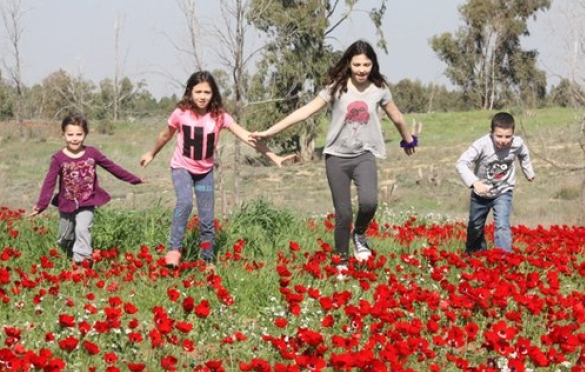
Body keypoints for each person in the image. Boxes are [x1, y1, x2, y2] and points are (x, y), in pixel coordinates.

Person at [250, 40, 417, 272]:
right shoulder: (336, 87)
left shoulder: (379, 89)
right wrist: (270, 132)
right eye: (357, 64)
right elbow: (304, 112)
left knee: (369, 202)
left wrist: (408, 139)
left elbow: (397, 116)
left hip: (364, 155)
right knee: (344, 214)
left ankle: (359, 235)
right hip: (336, 158)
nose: (361, 69)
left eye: (366, 64)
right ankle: (341, 261)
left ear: (373, 65)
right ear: (348, 63)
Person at [140, 70, 293, 269]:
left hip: (204, 174)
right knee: (185, 203)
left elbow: (247, 137)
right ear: (190, 92)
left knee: (206, 218)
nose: (202, 97)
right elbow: (164, 135)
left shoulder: (219, 116)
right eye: (198, 92)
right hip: (182, 168)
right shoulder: (181, 113)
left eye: (207, 92)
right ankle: (174, 249)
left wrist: (273, 156)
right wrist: (152, 153)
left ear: (213, 94)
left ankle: (207, 258)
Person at [30, 112, 144, 266]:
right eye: (70, 134)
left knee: (83, 229)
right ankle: (69, 249)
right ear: (63, 134)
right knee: (65, 236)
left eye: (79, 134)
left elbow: (112, 167)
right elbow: (49, 182)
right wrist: (41, 205)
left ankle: (81, 262)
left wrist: (134, 179)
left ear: (85, 134)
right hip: (67, 203)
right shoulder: (58, 158)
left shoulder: (92, 153)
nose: (75, 138)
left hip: (87, 201)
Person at [455, 112, 535, 254]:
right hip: (480, 194)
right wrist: (475, 183)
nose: (503, 140)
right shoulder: (481, 144)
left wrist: (529, 172)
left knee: (502, 225)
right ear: (491, 132)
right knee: (475, 226)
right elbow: (461, 163)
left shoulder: (518, 143)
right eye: (499, 136)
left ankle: (503, 260)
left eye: (508, 136)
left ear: (513, 134)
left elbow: (524, 154)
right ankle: (476, 255)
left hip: (503, 191)